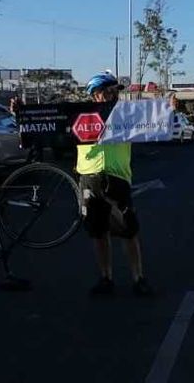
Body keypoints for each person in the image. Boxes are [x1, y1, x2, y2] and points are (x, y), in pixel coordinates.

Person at [78, 72, 153, 297]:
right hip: (89, 175)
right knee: (98, 233)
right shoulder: (78, 115)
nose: (114, 95)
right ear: (96, 95)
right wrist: (22, 113)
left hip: (117, 177)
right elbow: (47, 126)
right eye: (109, 91)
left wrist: (168, 108)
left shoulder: (126, 115)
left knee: (129, 230)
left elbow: (154, 121)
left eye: (116, 91)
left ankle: (138, 278)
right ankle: (105, 277)